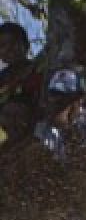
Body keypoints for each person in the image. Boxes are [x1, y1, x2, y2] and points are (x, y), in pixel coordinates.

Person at [0, 23, 42, 151]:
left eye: (13, 43)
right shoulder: (2, 78)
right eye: (2, 46)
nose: (9, 49)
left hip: (35, 124)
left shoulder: (39, 68)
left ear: (26, 45)